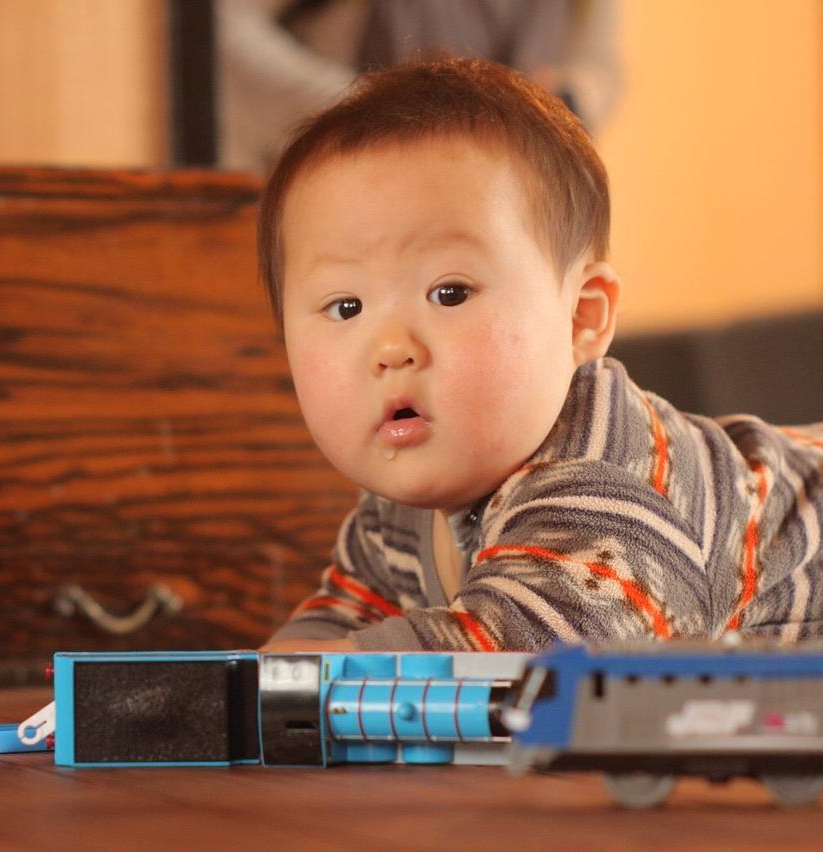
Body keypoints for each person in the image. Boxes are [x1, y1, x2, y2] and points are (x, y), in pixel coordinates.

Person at [259, 58, 823, 653]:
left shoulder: (604, 495)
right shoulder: (393, 515)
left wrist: (300, 681)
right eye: (345, 307)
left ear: (581, 316)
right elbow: (324, 635)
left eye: (449, 293)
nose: (391, 348)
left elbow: (524, 668)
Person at [217, 0, 621, 173]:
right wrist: (363, 105)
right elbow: (226, 29)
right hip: (347, 172)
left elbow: (601, 64)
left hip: (498, 192)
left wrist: (564, 106)